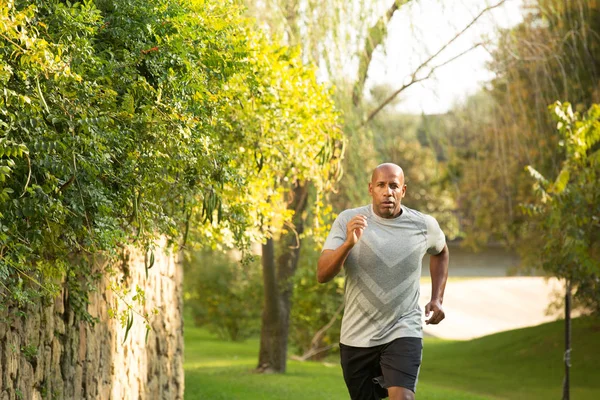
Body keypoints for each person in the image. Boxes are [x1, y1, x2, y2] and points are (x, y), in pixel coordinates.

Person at [317, 163, 449, 400]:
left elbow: (440, 251)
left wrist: (437, 299)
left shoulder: (423, 225)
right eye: (381, 185)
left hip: (403, 327)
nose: (388, 191)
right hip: (357, 335)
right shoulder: (348, 220)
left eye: (394, 186)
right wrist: (348, 243)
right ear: (371, 188)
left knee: (403, 397)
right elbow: (322, 275)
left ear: (403, 191)